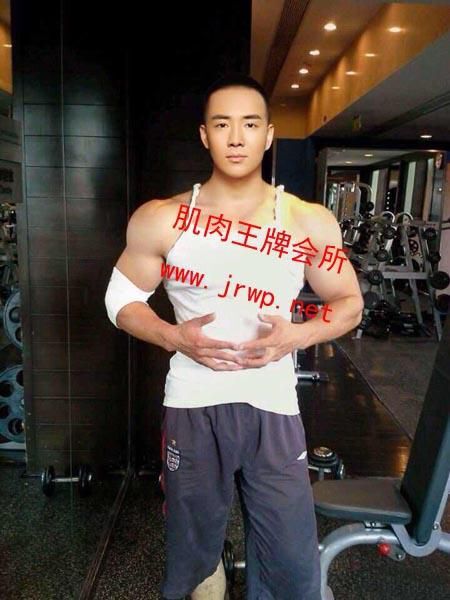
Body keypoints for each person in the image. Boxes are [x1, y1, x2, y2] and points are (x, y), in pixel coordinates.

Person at [104, 73, 363, 600]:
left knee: (291, 561)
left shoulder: (307, 222)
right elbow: (120, 300)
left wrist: (297, 336)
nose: (237, 137)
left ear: (269, 135)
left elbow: (349, 302)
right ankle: (209, 578)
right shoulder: (164, 219)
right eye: (223, 125)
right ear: (205, 135)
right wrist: (173, 336)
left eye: (250, 124)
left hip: (273, 406)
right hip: (193, 404)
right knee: (193, 555)